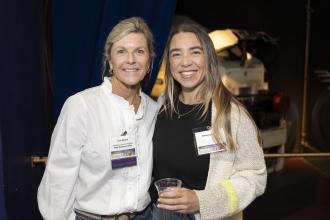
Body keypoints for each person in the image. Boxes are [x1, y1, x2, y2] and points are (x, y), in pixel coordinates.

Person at [37, 17, 158, 220]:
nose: (131, 59)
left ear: (149, 63)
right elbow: (59, 178)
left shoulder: (154, 110)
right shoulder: (81, 106)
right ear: (110, 62)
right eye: (121, 51)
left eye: (139, 51)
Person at [149, 21, 267, 220]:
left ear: (209, 58)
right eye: (176, 54)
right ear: (169, 62)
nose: (185, 61)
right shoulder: (160, 108)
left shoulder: (231, 115)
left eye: (195, 52)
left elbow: (255, 177)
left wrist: (202, 201)